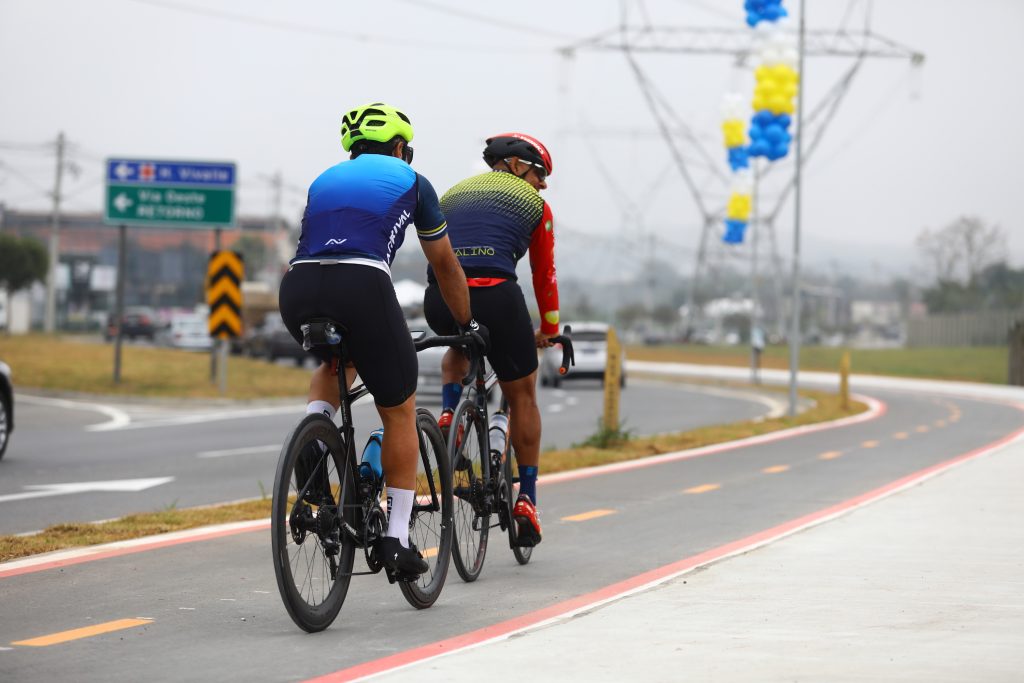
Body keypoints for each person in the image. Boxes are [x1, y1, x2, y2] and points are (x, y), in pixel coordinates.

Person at [278, 102, 485, 576]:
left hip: (299, 288)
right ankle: (395, 538)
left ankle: (313, 442)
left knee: (337, 365)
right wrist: (467, 323)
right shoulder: (413, 181)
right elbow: (446, 265)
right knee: (400, 409)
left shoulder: (323, 179)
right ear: (398, 147)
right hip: (362, 286)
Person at [423, 132, 559, 547]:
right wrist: (549, 331)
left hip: (442, 296)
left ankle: (449, 415)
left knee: (458, 349)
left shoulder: (451, 194)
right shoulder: (536, 205)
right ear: (517, 166)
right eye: (539, 173)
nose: (543, 184)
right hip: (499, 294)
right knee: (523, 394)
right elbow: (544, 275)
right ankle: (528, 501)